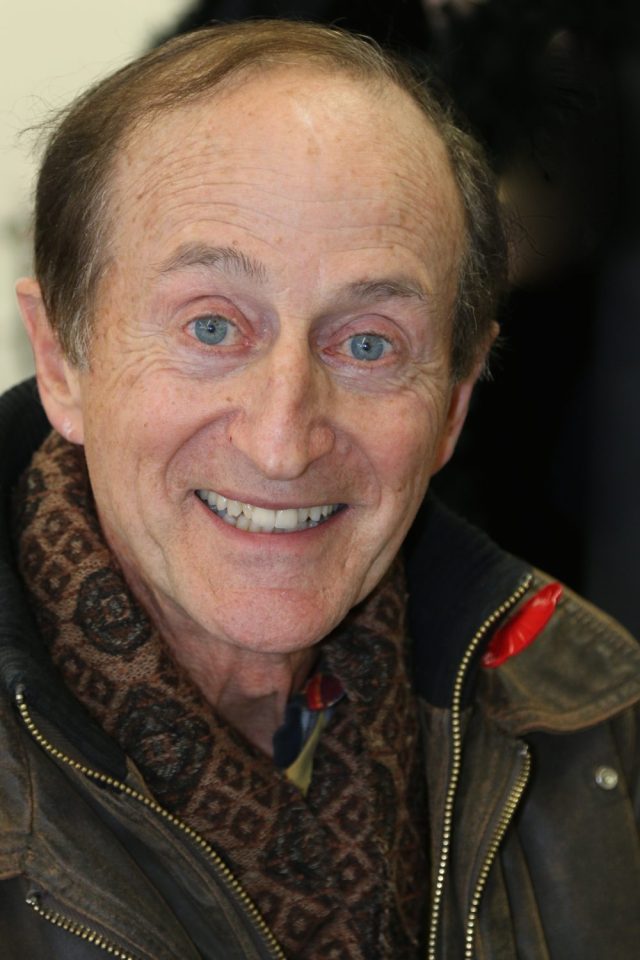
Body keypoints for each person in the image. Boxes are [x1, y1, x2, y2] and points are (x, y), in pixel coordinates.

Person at [0, 19, 638, 960]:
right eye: (212, 328)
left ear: (453, 405)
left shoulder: (597, 727)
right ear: (63, 360)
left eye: (368, 344)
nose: (282, 441)